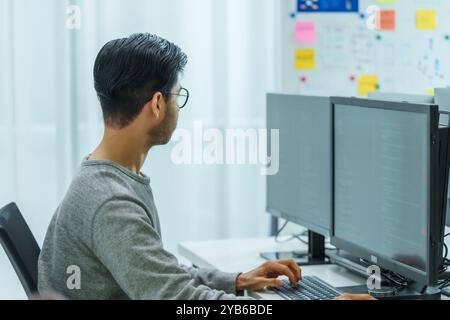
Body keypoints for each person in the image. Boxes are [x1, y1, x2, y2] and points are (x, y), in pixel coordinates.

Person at [38, 33, 374, 301]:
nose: (178, 107)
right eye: (177, 95)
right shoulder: (111, 201)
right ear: (157, 104)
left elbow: (160, 274)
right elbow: (178, 299)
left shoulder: (109, 178)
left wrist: (239, 280)